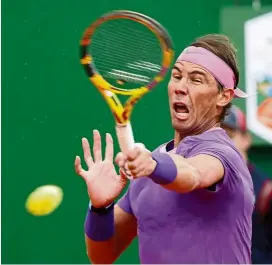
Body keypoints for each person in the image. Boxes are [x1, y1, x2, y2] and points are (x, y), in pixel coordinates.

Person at [75, 34, 255, 264]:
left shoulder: (223, 154)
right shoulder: (150, 167)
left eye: (196, 80)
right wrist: (100, 209)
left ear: (223, 96)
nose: (180, 87)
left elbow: (192, 174)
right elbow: (103, 255)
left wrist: (152, 165)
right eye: (177, 76)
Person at [221, 105, 272, 264]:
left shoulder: (266, 191)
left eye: (227, 135)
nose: (219, 143)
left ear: (246, 139)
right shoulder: (198, 183)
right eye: (212, 136)